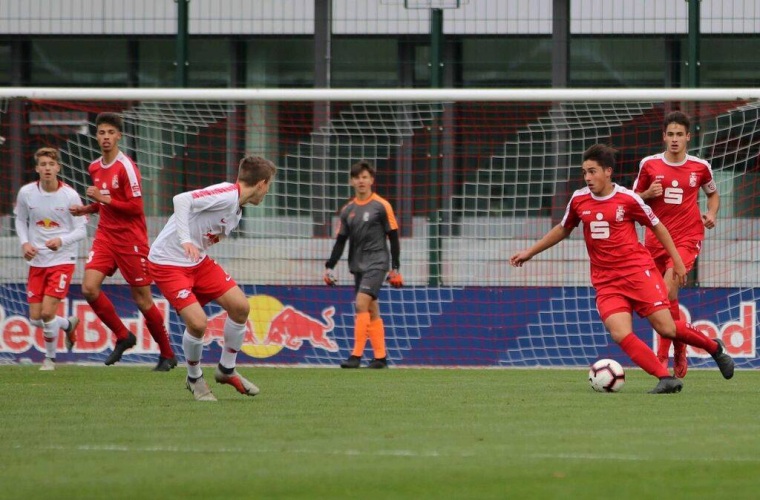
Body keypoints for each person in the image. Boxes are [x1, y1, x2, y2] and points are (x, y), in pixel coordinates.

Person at [510, 144, 733, 394]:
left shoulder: (628, 198)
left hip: (639, 273)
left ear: (608, 171)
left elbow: (657, 226)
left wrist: (678, 261)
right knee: (620, 332)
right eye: (584, 172)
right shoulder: (579, 199)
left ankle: (715, 348)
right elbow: (563, 228)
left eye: (592, 172)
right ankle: (664, 378)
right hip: (606, 281)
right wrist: (530, 252)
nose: (588, 178)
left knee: (666, 327)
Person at [147, 155, 276, 402]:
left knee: (240, 307)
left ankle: (226, 369)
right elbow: (181, 200)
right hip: (168, 262)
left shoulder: (236, 208)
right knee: (198, 323)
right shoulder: (226, 194)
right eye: (268, 185)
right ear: (261, 184)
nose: (267, 191)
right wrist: (185, 239)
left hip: (197, 262)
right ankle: (194, 377)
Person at [69, 112, 176, 370]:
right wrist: (89, 208)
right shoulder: (94, 167)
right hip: (105, 236)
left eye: (110, 133)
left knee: (142, 299)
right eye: (101, 133)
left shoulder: (126, 166)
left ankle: (167, 354)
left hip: (131, 240)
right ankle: (123, 335)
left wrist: (103, 200)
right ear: (96, 136)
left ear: (119, 136)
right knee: (89, 288)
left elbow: (135, 207)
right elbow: (106, 199)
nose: (106, 137)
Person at [632, 110, 720, 378]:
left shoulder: (700, 167)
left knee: (667, 293)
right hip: (655, 241)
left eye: (679, 134)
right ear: (663, 136)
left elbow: (713, 194)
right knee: (663, 300)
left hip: (686, 239)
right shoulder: (649, 164)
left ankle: (662, 356)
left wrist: (712, 213)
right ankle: (680, 345)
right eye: (670, 134)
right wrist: (648, 194)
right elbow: (633, 200)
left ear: (688, 137)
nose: (674, 139)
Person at [324, 160, 403, 369]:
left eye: (365, 177)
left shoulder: (381, 205)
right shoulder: (347, 209)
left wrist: (396, 267)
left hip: (378, 262)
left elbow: (393, 236)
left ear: (372, 180)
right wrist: (329, 266)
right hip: (358, 264)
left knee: (360, 303)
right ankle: (380, 357)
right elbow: (341, 241)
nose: (361, 181)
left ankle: (355, 356)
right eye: (357, 177)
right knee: (371, 309)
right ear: (352, 181)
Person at [14, 147, 87, 371]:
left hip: (62, 260)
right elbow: (20, 221)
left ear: (58, 168)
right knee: (35, 318)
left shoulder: (70, 195)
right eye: (43, 164)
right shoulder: (26, 193)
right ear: (37, 168)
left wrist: (61, 241)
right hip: (37, 261)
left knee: (47, 313)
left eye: (51, 164)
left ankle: (50, 359)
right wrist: (25, 243)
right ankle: (67, 324)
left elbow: (82, 230)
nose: (47, 168)